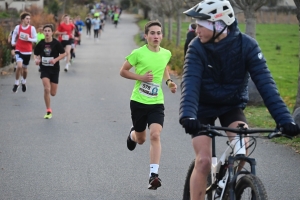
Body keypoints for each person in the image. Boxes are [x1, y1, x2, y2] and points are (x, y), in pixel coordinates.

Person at [180, 1, 300, 200]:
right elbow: (190, 84)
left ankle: (228, 183)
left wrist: (285, 120)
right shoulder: (196, 47)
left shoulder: (248, 46)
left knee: (242, 148)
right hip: (201, 107)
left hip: (231, 105)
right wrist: (188, 115)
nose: (196, 29)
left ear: (218, 26)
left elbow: (266, 85)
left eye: (201, 25)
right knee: (203, 161)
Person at [119, 20, 177, 190]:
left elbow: (164, 67)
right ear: (146, 36)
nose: (156, 36)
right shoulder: (138, 53)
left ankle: (153, 175)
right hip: (138, 102)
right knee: (142, 139)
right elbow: (123, 71)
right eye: (152, 33)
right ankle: (132, 135)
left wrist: (169, 82)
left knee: (155, 135)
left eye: (158, 33)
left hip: (156, 102)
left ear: (162, 36)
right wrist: (141, 78)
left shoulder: (166, 53)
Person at [34, 24, 66, 119]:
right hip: (44, 68)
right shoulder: (41, 43)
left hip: (54, 69)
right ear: (43, 32)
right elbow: (35, 54)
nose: (47, 32)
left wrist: (55, 60)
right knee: (46, 89)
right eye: (45, 31)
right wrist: (36, 60)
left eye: (49, 31)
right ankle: (48, 110)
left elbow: (64, 53)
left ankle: (49, 106)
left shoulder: (56, 43)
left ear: (52, 32)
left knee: (53, 93)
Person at [11, 12, 37, 93]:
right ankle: (16, 83)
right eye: (27, 19)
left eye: (29, 19)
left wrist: (28, 39)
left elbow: (35, 39)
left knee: (25, 69)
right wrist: (12, 42)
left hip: (27, 51)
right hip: (18, 49)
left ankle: (24, 81)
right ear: (22, 20)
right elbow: (14, 35)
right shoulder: (18, 27)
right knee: (19, 66)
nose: (28, 20)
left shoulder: (32, 28)